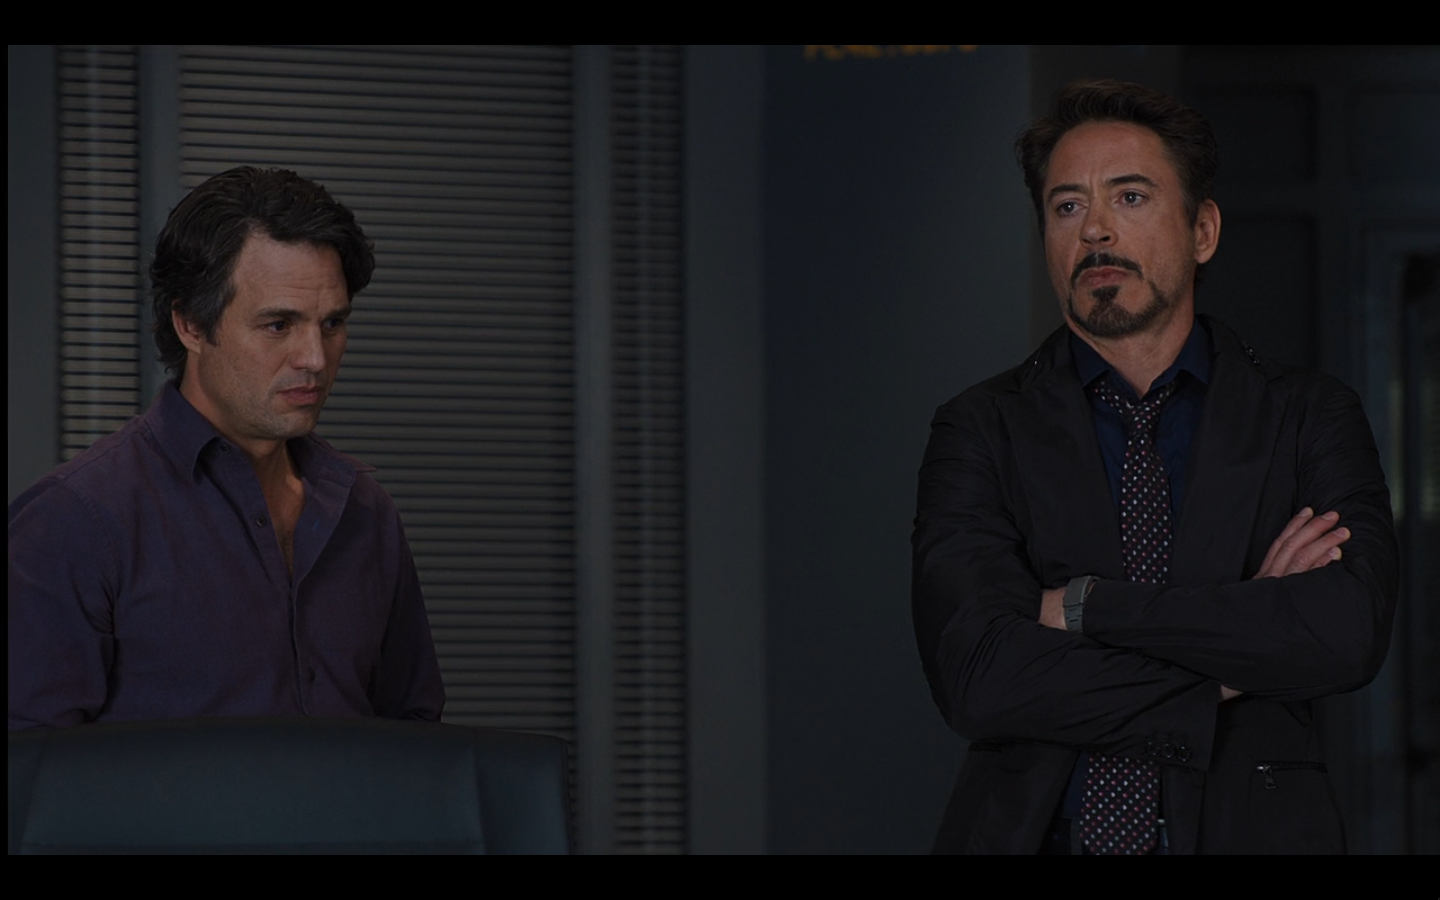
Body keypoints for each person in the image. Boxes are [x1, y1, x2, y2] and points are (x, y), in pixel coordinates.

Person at [911, 81, 1397, 854]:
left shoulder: (1308, 415)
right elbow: (978, 675)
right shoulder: (979, 427)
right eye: (1067, 206)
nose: (1095, 229)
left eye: (1130, 197)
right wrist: (1234, 661)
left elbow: (1343, 634)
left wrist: (1084, 609)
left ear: (1202, 230)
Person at [9, 167, 445, 728]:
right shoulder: (73, 522)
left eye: (332, 323)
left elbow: (415, 738)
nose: (315, 358)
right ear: (191, 324)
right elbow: (32, 772)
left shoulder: (366, 512)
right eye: (278, 325)